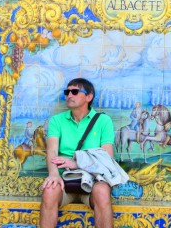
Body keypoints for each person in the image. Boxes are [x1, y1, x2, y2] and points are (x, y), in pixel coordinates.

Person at [40, 77, 115, 228]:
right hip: (65, 180)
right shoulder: (57, 121)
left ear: (89, 97)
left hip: (93, 181)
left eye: (74, 92)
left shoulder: (103, 121)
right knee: (49, 189)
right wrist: (54, 174)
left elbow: (107, 158)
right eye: (67, 92)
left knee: (102, 190)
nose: (69, 95)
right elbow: (52, 150)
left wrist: (76, 163)